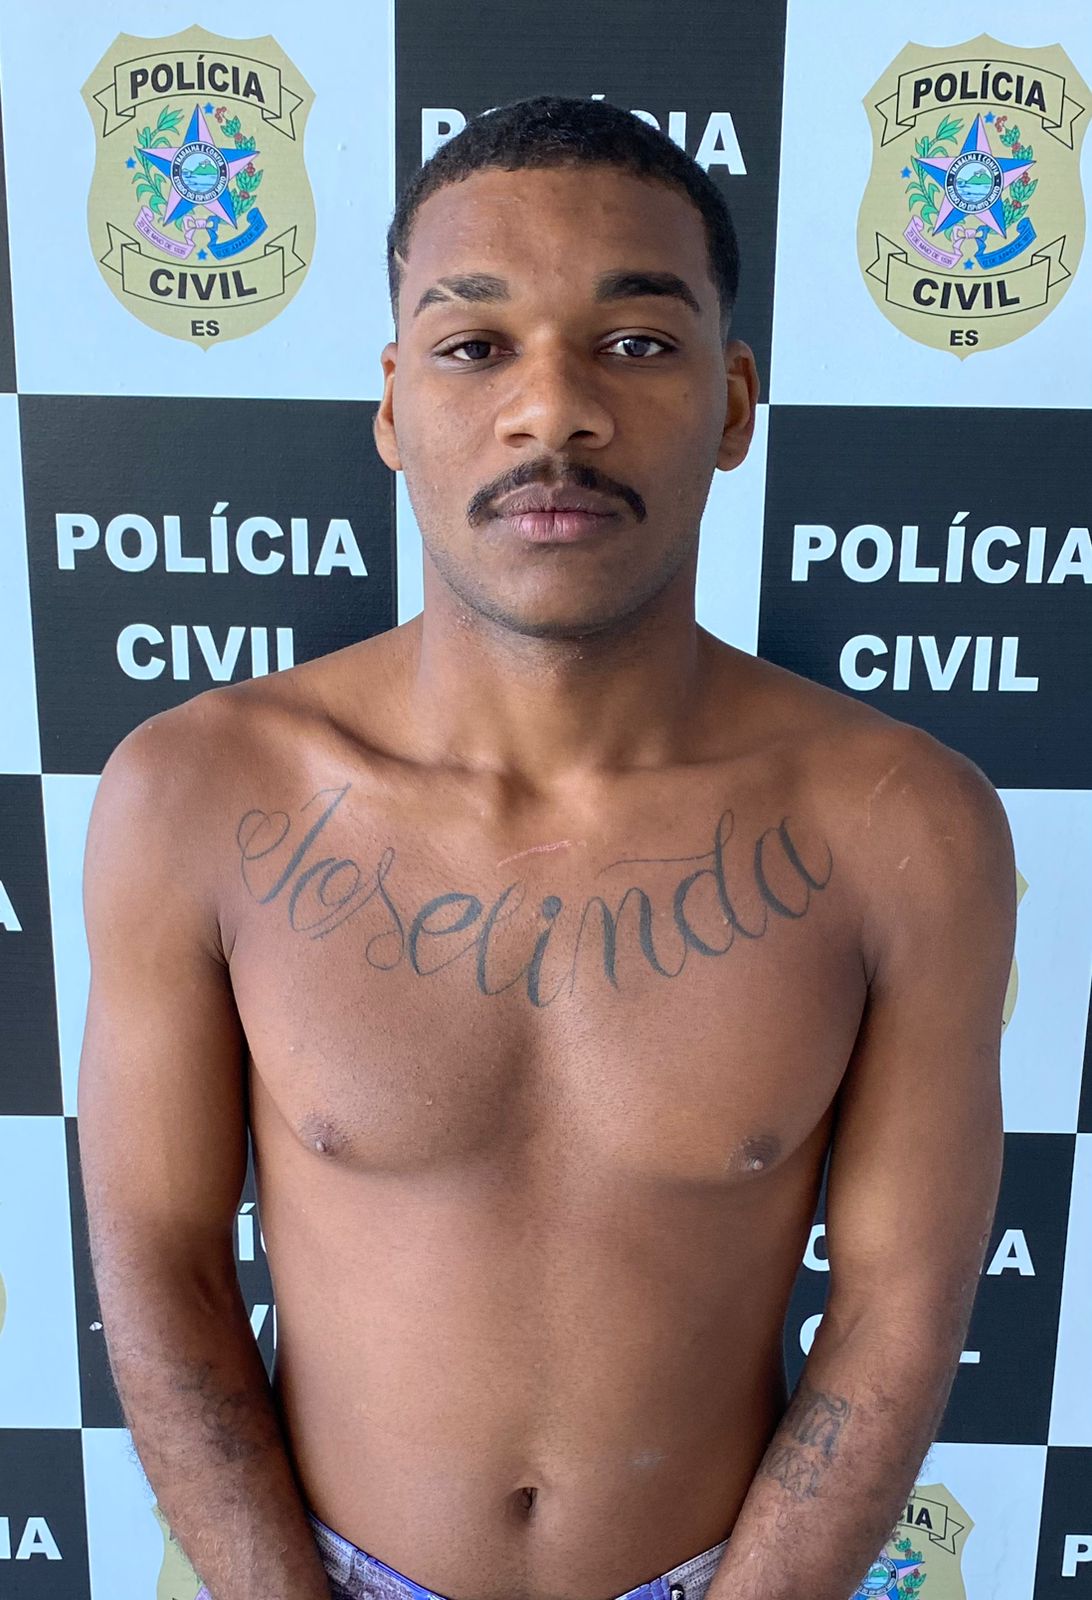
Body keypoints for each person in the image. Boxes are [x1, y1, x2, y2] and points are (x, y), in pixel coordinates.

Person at [77, 95, 1016, 1600]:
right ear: (395, 405)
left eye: (635, 342)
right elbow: (160, 1264)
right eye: (474, 346)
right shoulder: (192, 795)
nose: (553, 412)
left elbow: (901, 1310)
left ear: (733, 401)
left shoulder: (903, 823)